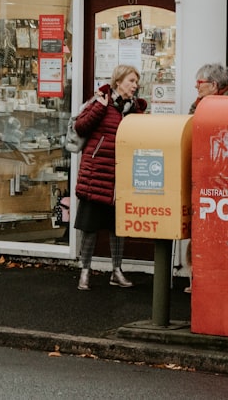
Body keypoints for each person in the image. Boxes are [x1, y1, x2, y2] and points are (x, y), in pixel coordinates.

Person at [72, 64, 148, 290]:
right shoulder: (100, 101)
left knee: (118, 226)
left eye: (136, 82)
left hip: (120, 175)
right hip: (96, 173)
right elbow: (80, 127)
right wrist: (99, 107)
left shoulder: (133, 108)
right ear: (118, 82)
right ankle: (84, 272)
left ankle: (116, 271)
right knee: (90, 226)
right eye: (131, 81)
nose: (135, 86)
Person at [184, 62, 228, 292]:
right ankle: (196, 277)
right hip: (202, 173)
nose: (196, 87)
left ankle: (221, 277)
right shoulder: (197, 105)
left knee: (223, 229)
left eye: (200, 83)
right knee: (199, 229)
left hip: (225, 178)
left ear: (214, 85)